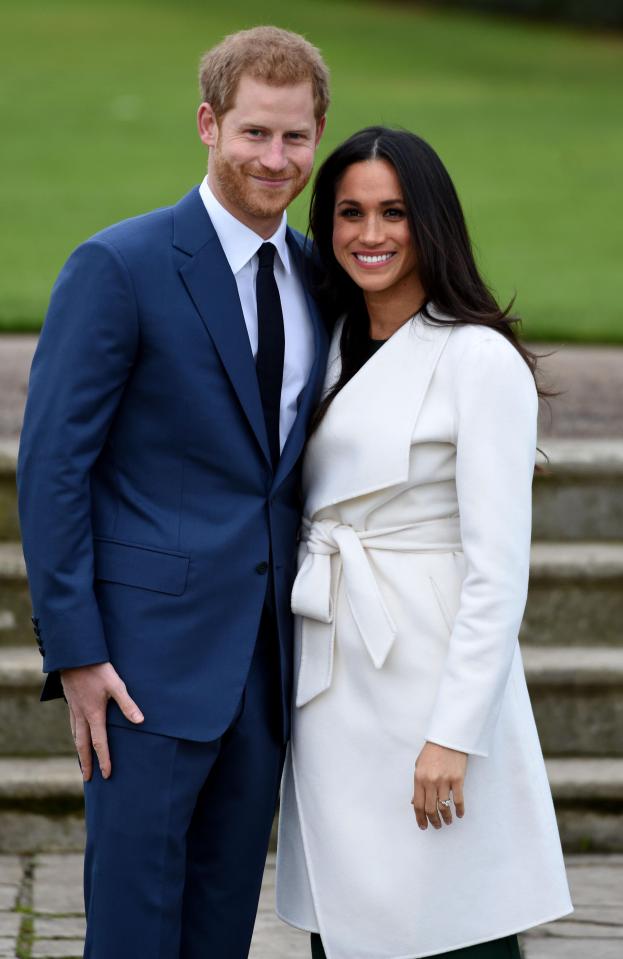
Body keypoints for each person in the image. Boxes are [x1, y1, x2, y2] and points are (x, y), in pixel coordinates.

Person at [17, 26, 329, 959]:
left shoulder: (319, 274)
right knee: (133, 923)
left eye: (295, 138)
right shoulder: (120, 266)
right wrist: (75, 651)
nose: (275, 160)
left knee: (221, 920)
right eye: (254, 134)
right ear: (208, 125)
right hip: (142, 668)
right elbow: (53, 468)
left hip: (267, 662)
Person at [275, 127, 573, 959]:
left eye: (394, 212)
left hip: (430, 674)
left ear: (430, 221)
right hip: (334, 673)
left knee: (448, 916)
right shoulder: (322, 342)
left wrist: (453, 733)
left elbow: (496, 570)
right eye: (349, 213)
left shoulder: (477, 359)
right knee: (351, 917)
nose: (370, 234)